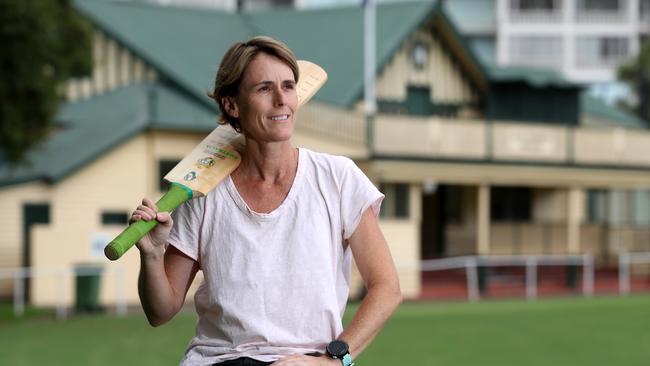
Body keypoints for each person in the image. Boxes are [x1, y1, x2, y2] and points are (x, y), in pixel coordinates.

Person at [131, 36, 402, 366]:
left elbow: (386, 287)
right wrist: (152, 255)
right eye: (263, 88)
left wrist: (332, 360)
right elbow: (160, 312)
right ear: (232, 105)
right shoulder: (201, 192)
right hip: (219, 360)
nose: (281, 100)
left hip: (306, 360)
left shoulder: (338, 178)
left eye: (288, 86)